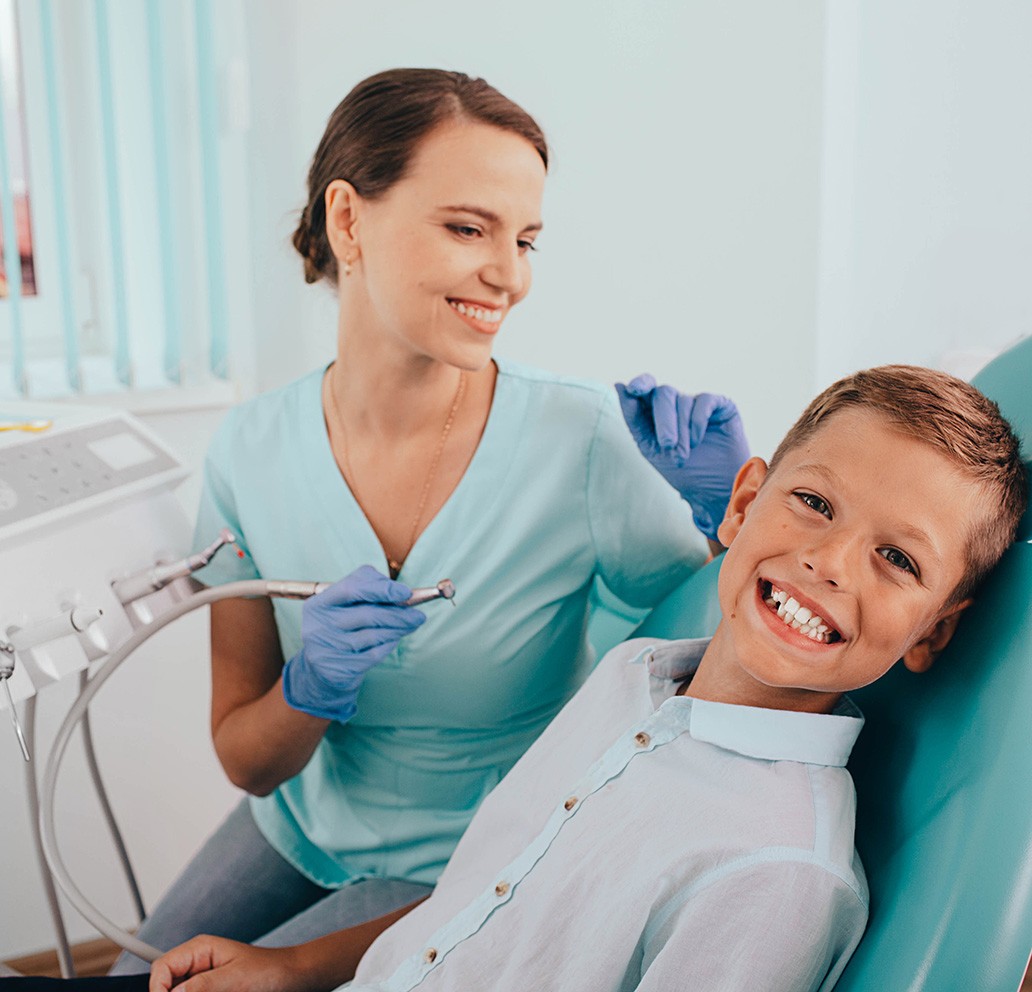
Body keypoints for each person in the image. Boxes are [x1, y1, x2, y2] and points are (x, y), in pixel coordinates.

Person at [0, 365, 1001, 991]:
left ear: (933, 633)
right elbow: (495, 899)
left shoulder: (777, 879)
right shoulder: (636, 681)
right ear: (747, 501)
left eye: (898, 559)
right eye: (813, 501)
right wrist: (291, 966)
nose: (831, 559)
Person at [105, 69, 747, 973]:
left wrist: (732, 515)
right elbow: (248, 762)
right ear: (348, 220)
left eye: (525, 239)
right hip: (301, 825)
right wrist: (307, 689)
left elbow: (718, 650)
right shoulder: (249, 450)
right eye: (467, 228)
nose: (509, 275)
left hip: (481, 854)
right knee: (137, 971)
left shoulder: (583, 441)